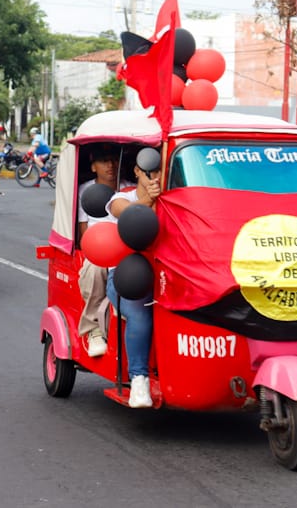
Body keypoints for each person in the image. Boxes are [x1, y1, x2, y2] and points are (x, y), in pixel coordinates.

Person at [105, 158, 162, 408]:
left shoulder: (172, 198)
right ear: (138, 170)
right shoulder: (121, 197)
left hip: (166, 274)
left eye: (161, 169)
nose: (156, 175)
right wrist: (149, 200)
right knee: (140, 314)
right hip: (126, 277)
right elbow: (126, 213)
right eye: (151, 170)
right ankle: (138, 379)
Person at [77, 145, 135, 357]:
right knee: (94, 268)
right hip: (99, 251)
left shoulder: (130, 189)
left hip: (129, 250)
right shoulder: (85, 191)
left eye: (113, 160)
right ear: (93, 166)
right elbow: (84, 234)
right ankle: (93, 329)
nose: (110, 165)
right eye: (103, 161)